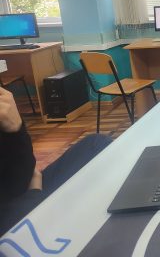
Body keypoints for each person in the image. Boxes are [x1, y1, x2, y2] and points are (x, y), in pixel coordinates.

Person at [0, 87, 112, 236]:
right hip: (14, 219)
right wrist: (34, 196)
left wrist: (15, 129)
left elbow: (23, 175)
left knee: (96, 144)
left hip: (22, 190)